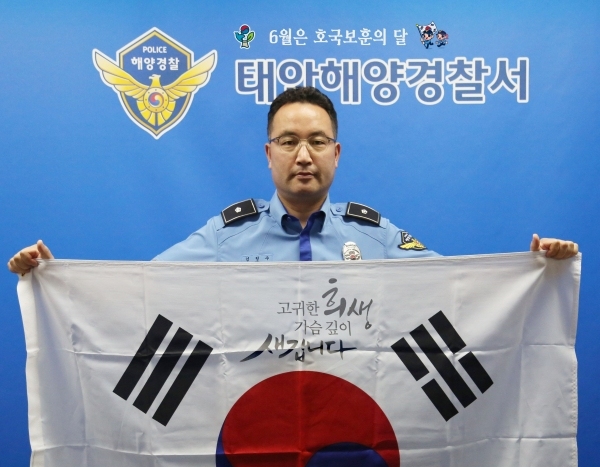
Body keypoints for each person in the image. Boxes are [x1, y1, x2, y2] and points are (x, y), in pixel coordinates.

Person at [7, 87, 578, 274]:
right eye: (288, 142)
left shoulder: (375, 235)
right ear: (268, 154)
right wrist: (56, 277)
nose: (303, 155)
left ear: (337, 153)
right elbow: (143, 287)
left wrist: (535, 271)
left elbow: (455, 287)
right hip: (254, 427)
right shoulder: (226, 235)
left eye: (317, 142)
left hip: (353, 428)